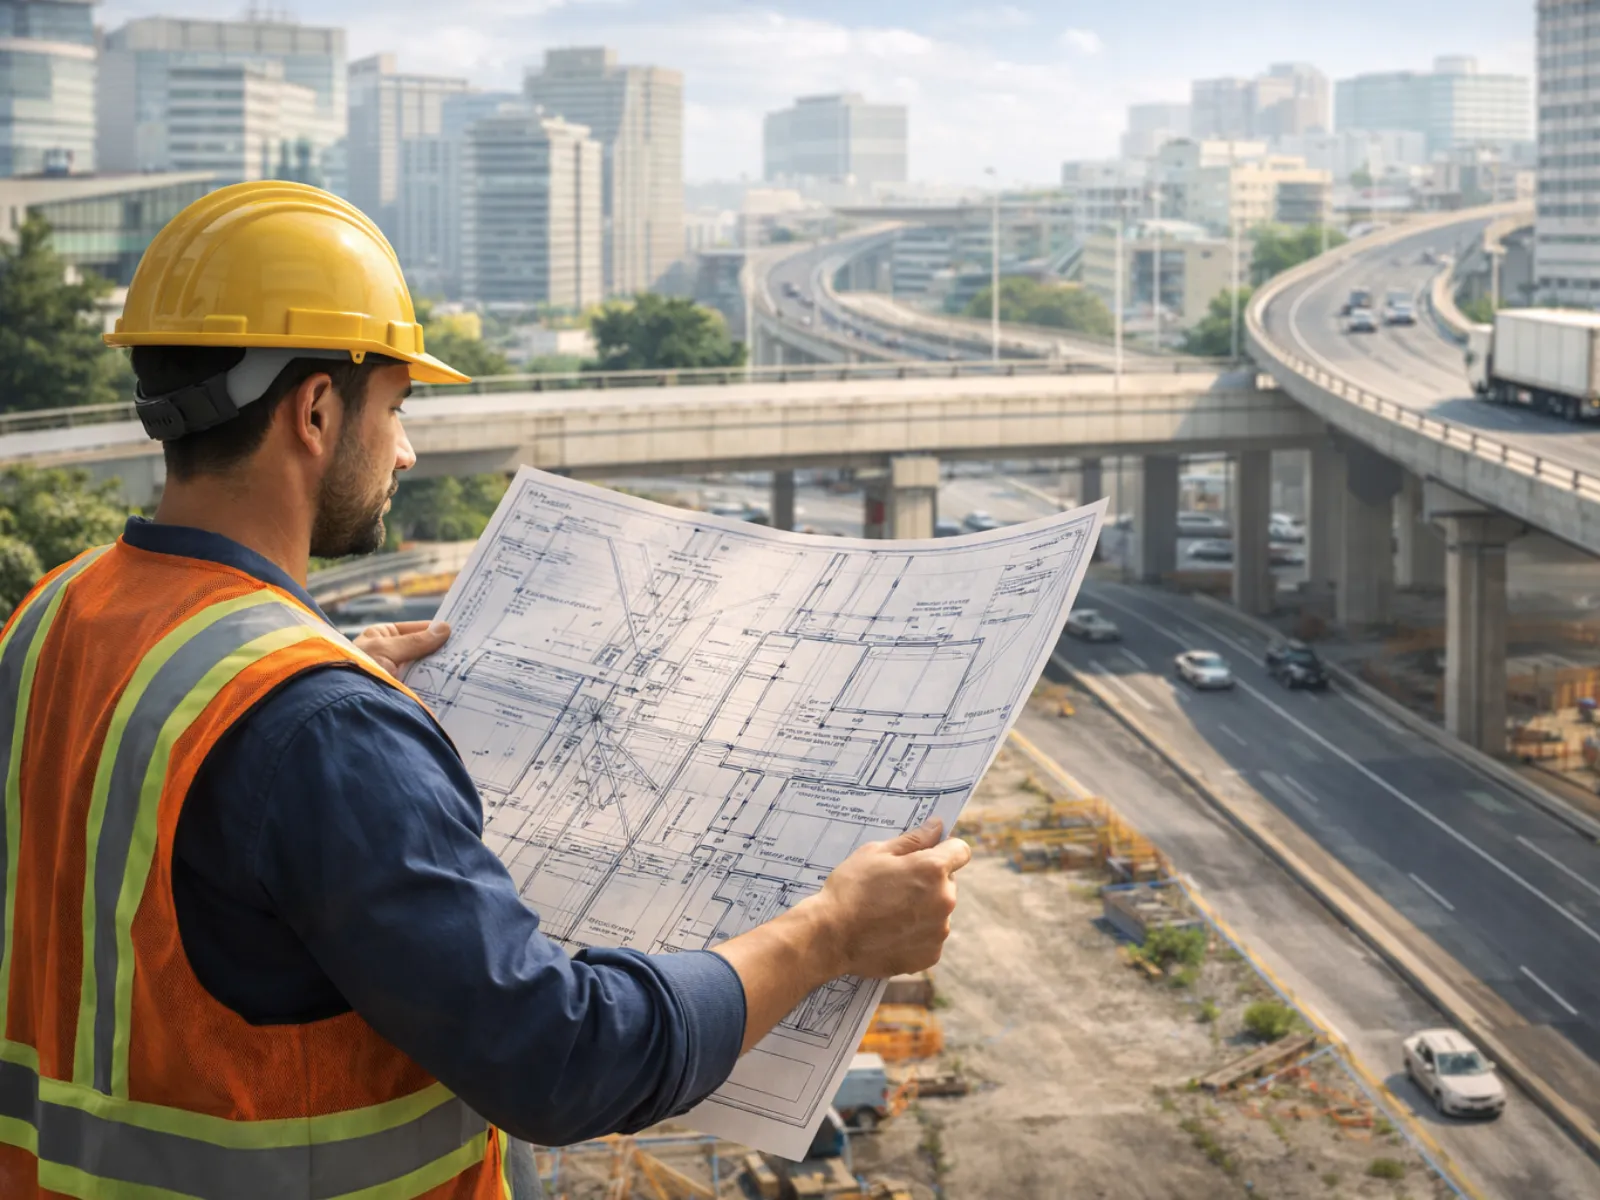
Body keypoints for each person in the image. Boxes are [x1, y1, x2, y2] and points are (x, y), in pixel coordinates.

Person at [0, 182, 971, 1198]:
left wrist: (316, 690)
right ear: (318, 411)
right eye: (399, 407)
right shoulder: (314, 731)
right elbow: (563, 1058)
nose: (408, 450)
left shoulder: (56, 615)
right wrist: (830, 932)